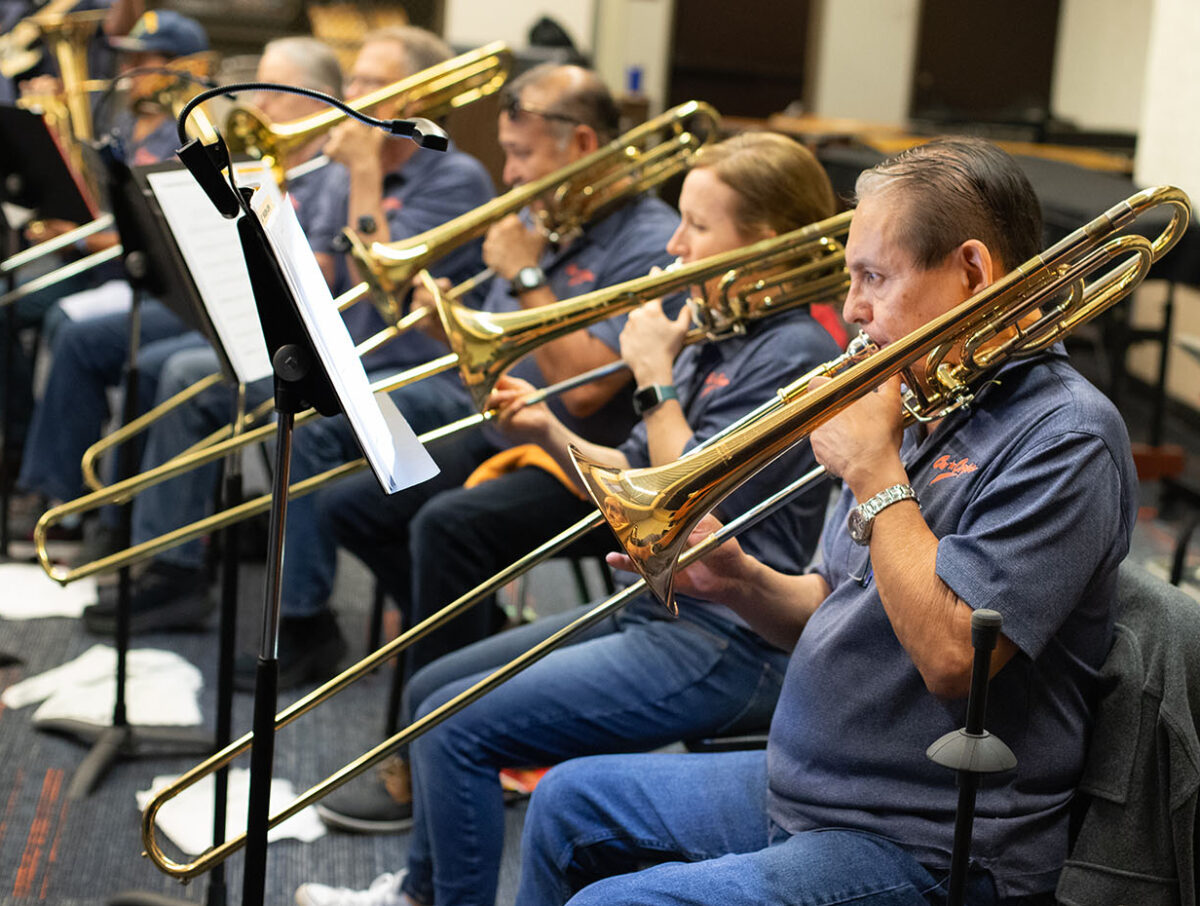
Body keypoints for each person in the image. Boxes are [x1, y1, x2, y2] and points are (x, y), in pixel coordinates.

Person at [512, 137, 1139, 906]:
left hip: (931, 842)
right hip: (814, 791)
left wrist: (876, 471)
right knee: (566, 803)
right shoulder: (926, 396)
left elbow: (955, 659)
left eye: (873, 276)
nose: (851, 310)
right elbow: (830, 603)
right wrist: (741, 583)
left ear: (973, 271)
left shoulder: (1064, 434)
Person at [296, 132, 844, 906]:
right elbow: (634, 481)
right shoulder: (720, 328)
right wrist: (549, 432)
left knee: (458, 729)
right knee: (431, 690)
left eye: (697, 226)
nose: (676, 245)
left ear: (762, 242)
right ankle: (419, 893)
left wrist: (654, 380)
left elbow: (687, 514)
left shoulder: (793, 352)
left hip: (731, 639)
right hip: (659, 609)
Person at [265, 61, 679, 692]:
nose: (508, 175)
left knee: (446, 527)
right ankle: (469, 643)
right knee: (352, 507)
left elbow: (587, 389)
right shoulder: (555, 221)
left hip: (583, 461)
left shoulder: (646, 237)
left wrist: (526, 276)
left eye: (519, 154)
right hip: (513, 432)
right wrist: (448, 328)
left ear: (585, 145)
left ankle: (440, 700)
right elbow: (512, 357)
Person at [79, 27, 497, 652]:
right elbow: (315, 271)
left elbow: (378, 284)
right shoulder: (332, 168)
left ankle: (302, 622)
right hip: (344, 355)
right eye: (353, 79)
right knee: (192, 375)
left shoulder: (453, 175)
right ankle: (173, 569)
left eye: (371, 84)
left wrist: (361, 175)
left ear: (421, 96)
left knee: (312, 420)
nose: (352, 95)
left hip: (423, 380)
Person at [11, 8, 209, 528]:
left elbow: (164, 232)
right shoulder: (122, 118)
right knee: (18, 304)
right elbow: (100, 199)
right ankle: (33, 464)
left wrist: (88, 234)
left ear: (187, 67)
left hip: (144, 278)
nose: (136, 70)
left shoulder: (187, 132)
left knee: (66, 326)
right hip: (102, 267)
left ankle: (57, 488)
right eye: (133, 59)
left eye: (150, 60)